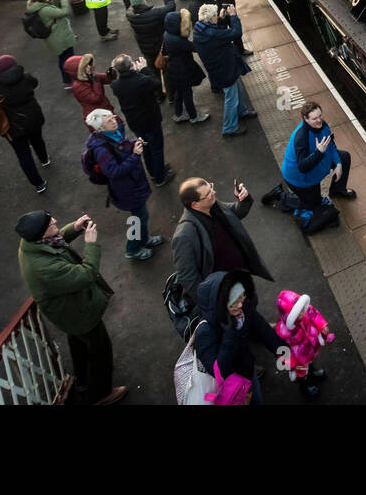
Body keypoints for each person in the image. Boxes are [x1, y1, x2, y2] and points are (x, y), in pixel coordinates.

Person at [15, 210, 125, 405]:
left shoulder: (31, 243)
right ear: (41, 234)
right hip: (76, 311)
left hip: (67, 313)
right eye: (51, 224)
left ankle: (82, 380)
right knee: (101, 349)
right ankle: (101, 394)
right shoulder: (44, 268)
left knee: (78, 341)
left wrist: (74, 228)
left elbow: (55, 241)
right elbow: (86, 274)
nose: (56, 221)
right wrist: (91, 244)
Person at [172, 177, 272, 319]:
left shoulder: (211, 206)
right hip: (223, 287)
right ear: (195, 205)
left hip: (239, 273)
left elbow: (235, 213)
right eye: (208, 193)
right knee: (237, 314)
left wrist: (242, 199)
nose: (214, 192)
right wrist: (212, 302)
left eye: (211, 187)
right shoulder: (184, 236)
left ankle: (253, 323)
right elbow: (188, 278)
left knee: (249, 302)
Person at [194, 270, 289, 405]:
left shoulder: (241, 311)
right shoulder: (205, 333)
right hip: (231, 388)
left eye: (242, 297)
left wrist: (284, 352)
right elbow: (218, 371)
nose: (240, 305)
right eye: (234, 302)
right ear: (220, 305)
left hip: (248, 370)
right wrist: (230, 333)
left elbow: (262, 328)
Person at [83, 108, 164, 261]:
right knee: (137, 219)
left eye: (113, 117)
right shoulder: (101, 149)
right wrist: (135, 155)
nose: (115, 121)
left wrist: (134, 145)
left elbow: (122, 148)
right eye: (109, 121)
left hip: (133, 185)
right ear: (100, 128)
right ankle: (133, 249)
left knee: (141, 217)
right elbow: (114, 172)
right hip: (127, 190)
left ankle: (143, 240)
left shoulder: (112, 135)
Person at [274, 102, 354, 230]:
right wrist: (318, 153)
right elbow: (302, 167)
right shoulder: (301, 138)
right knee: (312, 204)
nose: (319, 120)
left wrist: (338, 164)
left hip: (317, 165)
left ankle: (337, 190)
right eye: (314, 118)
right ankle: (281, 196)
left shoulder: (323, 125)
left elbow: (331, 144)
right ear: (305, 119)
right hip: (300, 179)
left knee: (344, 157)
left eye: (320, 116)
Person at [192, 4, 256, 137]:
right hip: (224, 68)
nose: (216, 17)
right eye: (215, 15)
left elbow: (216, 31)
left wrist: (220, 19)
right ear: (210, 18)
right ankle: (229, 127)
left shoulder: (200, 29)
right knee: (231, 98)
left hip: (222, 66)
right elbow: (235, 33)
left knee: (237, 89)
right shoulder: (212, 34)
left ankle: (241, 111)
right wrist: (233, 16)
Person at [109, 54, 173, 186]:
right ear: (131, 66)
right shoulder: (141, 80)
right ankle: (160, 177)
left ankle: (154, 172)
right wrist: (144, 69)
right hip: (150, 120)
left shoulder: (116, 85)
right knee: (156, 147)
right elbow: (156, 83)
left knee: (146, 148)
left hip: (135, 123)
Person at [0, 54, 51, 192]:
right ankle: (44, 159)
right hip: (33, 119)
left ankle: (38, 184)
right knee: (37, 139)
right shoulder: (26, 77)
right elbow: (35, 83)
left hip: (12, 127)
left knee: (23, 154)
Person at [162, 11, 209, 124]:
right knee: (187, 94)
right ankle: (194, 116)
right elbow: (194, 47)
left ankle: (178, 114)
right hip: (182, 69)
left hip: (174, 69)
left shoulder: (167, 34)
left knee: (180, 92)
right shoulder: (177, 40)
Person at [26, 0, 78, 88]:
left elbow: (52, 8)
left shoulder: (37, 7)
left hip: (54, 37)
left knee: (64, 57)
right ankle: (68, 81)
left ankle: (69, 78)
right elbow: (64, 11)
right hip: (60, 37)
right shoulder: (44, 10)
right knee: (66, 58)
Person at [66, 53, 117, 131]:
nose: (89, 67)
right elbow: (96, 98)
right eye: (85, 66)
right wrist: (95, 81)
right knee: (111, 135)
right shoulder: (78, 87)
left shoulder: (90, 76)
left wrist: (110, 73)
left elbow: (106, 79)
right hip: (98, 118)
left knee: (117, 128)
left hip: (105, 110)